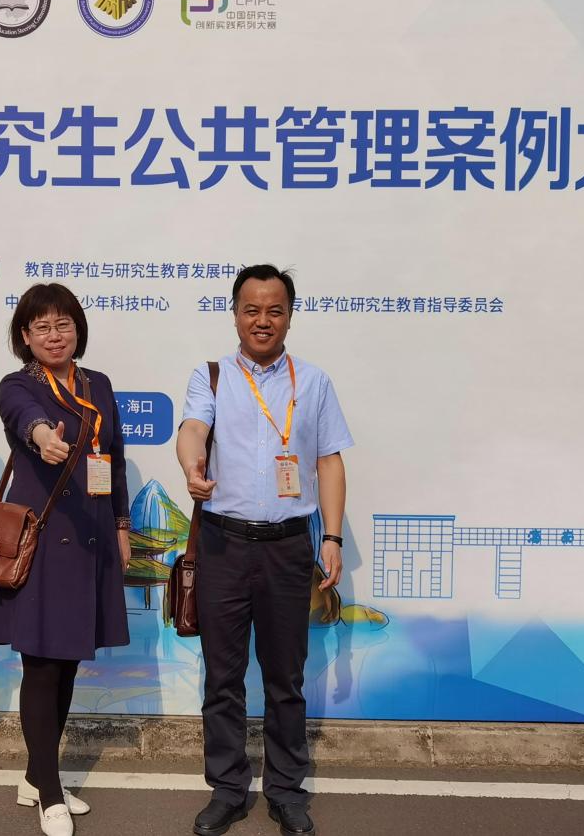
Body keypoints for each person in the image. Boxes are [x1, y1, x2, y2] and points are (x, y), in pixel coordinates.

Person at [176, 265, 353, 836]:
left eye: (274, 310)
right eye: (251, 309)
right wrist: (191, 466)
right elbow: (192, 428)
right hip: (223, 544)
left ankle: (285, 790)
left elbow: (329, 460)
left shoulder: (314, 382)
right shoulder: (213, 376)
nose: (262, 320)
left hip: (287, 548)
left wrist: (331, 537)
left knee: (285, 677)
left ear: (289, 317)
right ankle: (228, 789)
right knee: (222, 677)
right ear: (235, 314)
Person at [0, 283, 132, 836]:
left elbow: (114, 459)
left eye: (63, 324)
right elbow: (26, 417)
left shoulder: (98, 384)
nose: (54, 335)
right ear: (25, 335)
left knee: (66, 664)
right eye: (41, 327)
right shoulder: (17, 385)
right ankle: (50, 792)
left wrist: (120, 526)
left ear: (77, 329)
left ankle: (34, 775)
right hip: (42, 541)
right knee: (40, 666)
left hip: (90, 536)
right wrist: (43, 437)